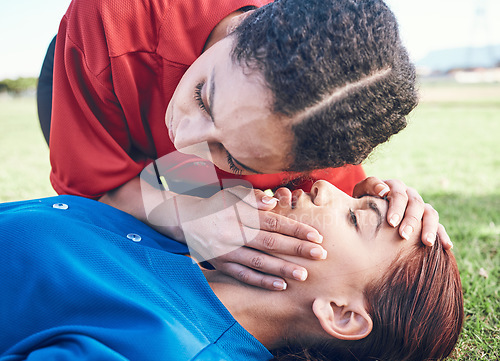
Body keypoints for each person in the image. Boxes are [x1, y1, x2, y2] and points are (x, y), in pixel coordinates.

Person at [37, 0, 447, 289]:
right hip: (91, 85)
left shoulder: (318, 136)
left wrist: (390, 209)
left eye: (234, 156)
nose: (183, 139)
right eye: (203, 97)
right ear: (245, 24)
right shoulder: (114, 14)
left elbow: (347, 218)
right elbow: (90, 196)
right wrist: (187, 217)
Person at [0, 181, 463, 361]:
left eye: (355, 216)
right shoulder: (207, 241)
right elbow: (118, 197)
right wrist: (376, 187)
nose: (325, 185)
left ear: (340, 313)